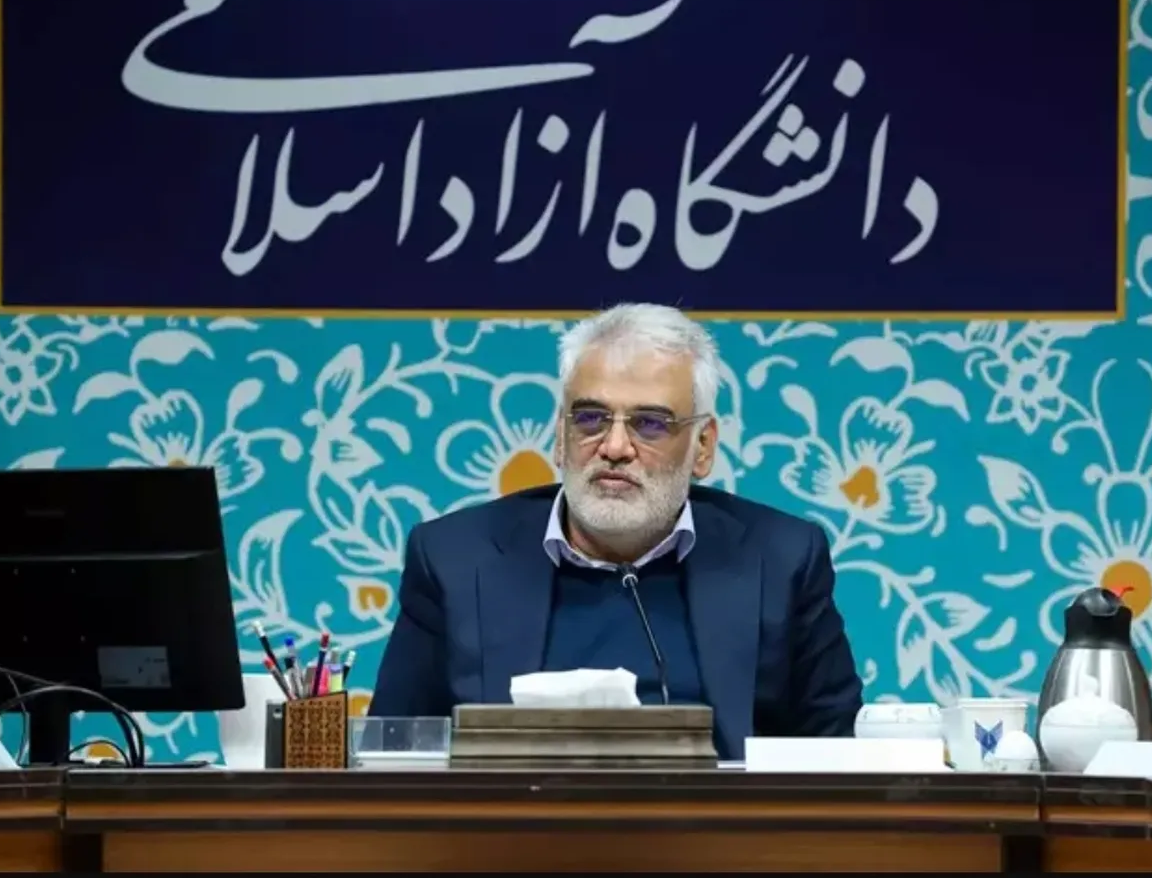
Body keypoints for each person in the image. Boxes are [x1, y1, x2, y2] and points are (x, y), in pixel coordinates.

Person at [369, 303, 862, 759]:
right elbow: (392, 753)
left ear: (703, 447)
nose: (616, 447)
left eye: (650, 423)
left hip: (716, 826)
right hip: (513, 824)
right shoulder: (455, 559)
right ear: (560, 435)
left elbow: (841, 757)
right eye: (591, 418)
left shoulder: (781, 559)